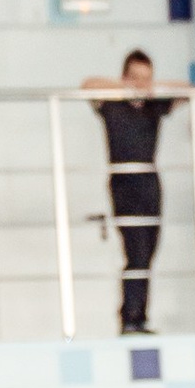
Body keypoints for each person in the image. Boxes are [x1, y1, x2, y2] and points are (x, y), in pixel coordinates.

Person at [81, 48, 176, 333]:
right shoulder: (112, 105)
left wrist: (151, 89)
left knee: (148, 253)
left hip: (150, 183)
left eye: (146, 78)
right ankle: (130, 318)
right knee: (135, 252)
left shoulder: (153, 107)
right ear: (124, 77)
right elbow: (88, 84)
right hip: (124, 183)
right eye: (135, 77)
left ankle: (139, 316)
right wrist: (126, 88)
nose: (141, 84)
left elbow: (187, 90)